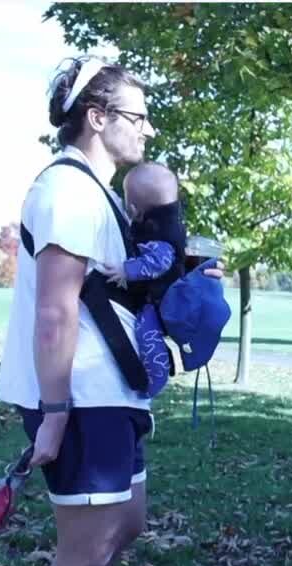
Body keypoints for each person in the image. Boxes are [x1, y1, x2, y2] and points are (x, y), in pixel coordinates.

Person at [0, 56, 222, 566]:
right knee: (83, 549)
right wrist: (56, 414)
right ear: (97, 118)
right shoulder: (65, 191)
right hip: (81, 399)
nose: (147, 130)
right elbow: (57, 310)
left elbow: (117, 289)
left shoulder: (100, 196)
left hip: (111, 395)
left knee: (127, 524)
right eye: (137, 116)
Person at [103, 161, 188, 398]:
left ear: (134, 209)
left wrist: (126, 270)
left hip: (161, 302)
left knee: (147, 334)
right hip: (158, 298)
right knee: (148, 332)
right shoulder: (166, 222)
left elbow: (160, 261)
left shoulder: (160, 232)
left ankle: (156, 377)